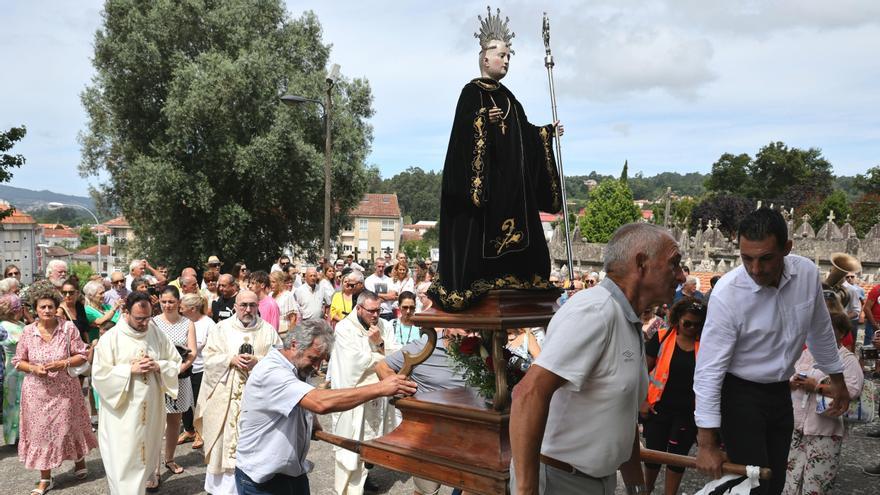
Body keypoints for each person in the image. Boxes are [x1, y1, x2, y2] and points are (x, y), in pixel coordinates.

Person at [510, 223, 683, 495]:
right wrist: (526, 489)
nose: (681, 276)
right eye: (675, 264)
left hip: (597, 482)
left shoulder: (628, 320)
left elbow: (623, 421)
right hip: (557, 481)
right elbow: (528, 393)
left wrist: (636, 487)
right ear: (641, 263)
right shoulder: (596, 311)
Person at [694, 208, 850, 495]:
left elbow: (820, 330)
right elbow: (708, 370)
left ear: (786, 249)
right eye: (746, 258)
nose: (755, 269)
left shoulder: (805, 273)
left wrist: (837, 381)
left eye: (766, 258)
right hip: (739, 395)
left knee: (776, 481)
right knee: (752, 485)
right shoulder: (727, 294)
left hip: (781, 391)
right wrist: (707, 444)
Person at [427, 7, 562, 312]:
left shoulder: (510, 99)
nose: (506, 60)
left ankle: (517, 272)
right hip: (486, 192)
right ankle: (481, 276)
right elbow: (461, 135)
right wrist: (480, 120)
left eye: (509, 56)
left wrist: (545, 134)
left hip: (511, 189)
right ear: (485, 58)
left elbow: (524, 134)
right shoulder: (471, 93)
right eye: (501, 54)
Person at [233, 320, 416, 494]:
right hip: (261, 481)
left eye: (322, 360)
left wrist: (309, 420)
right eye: (314, 358)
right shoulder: (271, 372)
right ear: (294, 345)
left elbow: (297, 399)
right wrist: (380, 388)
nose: (317, 366)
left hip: (292, 473)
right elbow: (320, 402)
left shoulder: (297, 367)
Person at [92, 291, 182, 494]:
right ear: (125, 312)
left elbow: (175, 362)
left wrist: (158, 365)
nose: (144, 323)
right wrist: (128, 370)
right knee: (124, 463)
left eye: (148, 317)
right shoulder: (111, 339)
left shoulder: (156, 333)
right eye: (139, 318)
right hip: (122, 416)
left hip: (150, 413)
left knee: (144, 461)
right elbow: (99, 376)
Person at [13, 282, 98, 494]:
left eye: (51, 306)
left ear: (56, 307)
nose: (47, 310)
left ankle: (79, 460)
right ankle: (45, 478)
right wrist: (33, 367)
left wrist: (63, 363)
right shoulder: (28, 331)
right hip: (36, 393)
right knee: (40, 434)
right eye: (43, 307)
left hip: (65, 390)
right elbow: (17, 360)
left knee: (70, 426)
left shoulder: (67, 328)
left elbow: (82, 354)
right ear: (36, 309)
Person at [195, 290, 282, 495]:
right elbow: (208, 357)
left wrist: (258, 361)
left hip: (257, 402)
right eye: (243, 305)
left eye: (252, 305)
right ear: (235, 306)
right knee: (223, 444)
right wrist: (229, 360)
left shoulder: (269, 331)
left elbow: (280, 360)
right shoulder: (221, 328)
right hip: (225, 398)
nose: (248, 310)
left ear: (257, 306)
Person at [376, 327, 469, 495]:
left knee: (473, 486)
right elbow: (382, 366)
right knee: (426, 491)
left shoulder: (479, 346)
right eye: (465, 329)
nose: (470, 335)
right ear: (448, 326)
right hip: (430, 435)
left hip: (472, 435)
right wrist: (398, 386)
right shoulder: (426, 347)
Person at [329, 290, 401, 494]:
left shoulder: (384, 326)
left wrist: (379, 343)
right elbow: (353, 362)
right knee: (351, 442)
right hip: (355, 395)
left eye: (378, 310)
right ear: (358, 308)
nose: (376, 315)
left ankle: (365, 477)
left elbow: (396, 354)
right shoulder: (344, 328)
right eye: (371, 311)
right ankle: (347, 489)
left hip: (378, 393)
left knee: (372, 440)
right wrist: (381, 359)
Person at [783, 312, 863, 495]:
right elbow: (787, 375)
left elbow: (852, 390)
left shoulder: (847, 359)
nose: (821, 332)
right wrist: (792, 382)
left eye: (828, 329)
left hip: (825, 430)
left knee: (816, 485)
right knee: (789, 481)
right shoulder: (806, 354)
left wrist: (817, 387)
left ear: (841, 333)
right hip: (796, 427)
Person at [641, 297, 705, 495]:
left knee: (678, 460)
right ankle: (646, 490)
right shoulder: (661, 337)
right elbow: (642, 372)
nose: (692, 328)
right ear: (678, 319)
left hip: (688, 413)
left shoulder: (706, 345)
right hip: (658, 409)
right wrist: (641, 401)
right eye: (687, 323)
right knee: (654, 458)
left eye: (697, 324)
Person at [152, 285, 197, 477]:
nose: (167, 305)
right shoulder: (153, 323)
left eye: (171, 301)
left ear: (178, 302)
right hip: (157, 377)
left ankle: (169, 458)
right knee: (155, 422)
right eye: (164, 302)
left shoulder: (188, 323)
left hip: (180, 376)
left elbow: (193, 352)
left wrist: (179, 369)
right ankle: (153, 467)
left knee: (174, 420)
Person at [178, 293, 216, 451]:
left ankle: (202, 432)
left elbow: (214, 347)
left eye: (182, 307)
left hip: (202, 368)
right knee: (184, 401)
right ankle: (189, 430)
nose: (179, 309)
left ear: (192, 309)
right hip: (184, 367)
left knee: (200, 402)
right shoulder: (183, 323)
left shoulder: (209, 324)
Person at [0, 294, 25, 445]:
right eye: (20, 306)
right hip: (12, 370)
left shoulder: (20, 323)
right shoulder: (3, 326)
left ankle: (21, 434)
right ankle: (12, 437)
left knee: (22, 403)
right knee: (12, 403)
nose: (22, 308)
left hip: (24, 369)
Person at [269, 270, 298, 336]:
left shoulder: (287, 295)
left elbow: (293, 318)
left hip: (284, 332)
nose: (271, 284)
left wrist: (291, 336)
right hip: (271, 330)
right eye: (270, 282)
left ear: (279, 282)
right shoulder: (270, 295)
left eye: (273, 282)